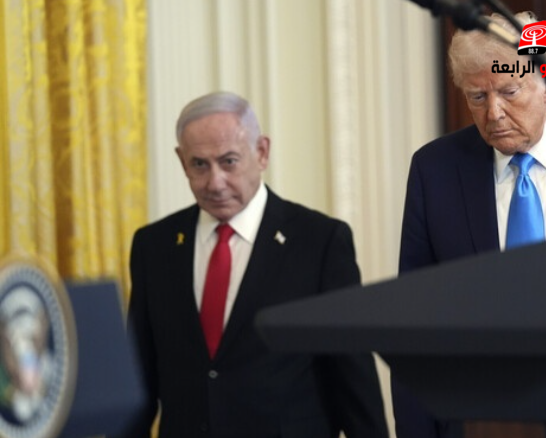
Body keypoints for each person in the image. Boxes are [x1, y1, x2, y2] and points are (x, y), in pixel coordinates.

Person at [126, 91, 389, 438]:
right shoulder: (154, 246)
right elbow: (137, 381)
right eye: (199, 165)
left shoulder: (319, 242)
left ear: (262, 152)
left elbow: (353, 378)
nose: (215, 182)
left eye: (229, 162)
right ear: (181, 160)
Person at [389, 11, 546, 438]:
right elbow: (414, 325)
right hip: (479, 420)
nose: (494, 113)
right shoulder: (435, 170)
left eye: (509, 91)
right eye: (477, 97)